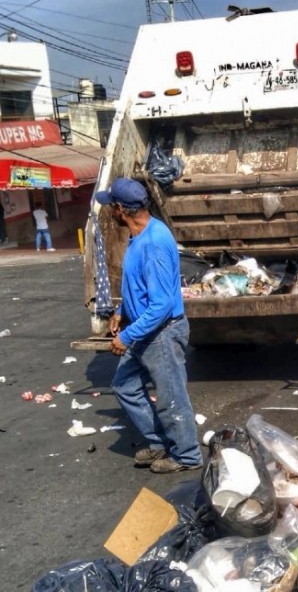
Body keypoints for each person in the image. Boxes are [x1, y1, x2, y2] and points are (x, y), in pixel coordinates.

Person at [96, 177, 203, 473]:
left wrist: (127, 336)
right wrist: (122, 310)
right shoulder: (139, 235)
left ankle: (187, 455)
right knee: (124, 385)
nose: (110, 212)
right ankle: (160, 443)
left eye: (111, 207)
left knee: (171, 397)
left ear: (120, 209)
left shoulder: (154, 242)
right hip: (145, 329)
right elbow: (139, 286)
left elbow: (161, 305)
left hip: (162, 333)